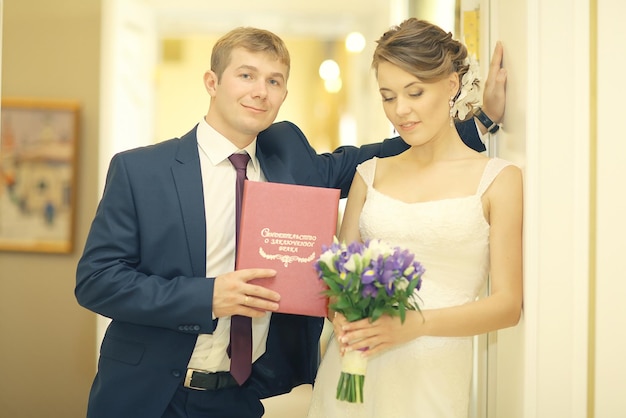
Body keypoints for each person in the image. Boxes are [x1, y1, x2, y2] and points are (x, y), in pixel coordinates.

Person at [75, 25, 506, 418]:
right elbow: (96, 280)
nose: (260, 91)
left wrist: (478, 122)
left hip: (239, 400)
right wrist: (207, 297)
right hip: (145, 396)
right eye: (246, 75)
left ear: (283, 95)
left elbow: (384, 154)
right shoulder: (140, 170)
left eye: (274, 81)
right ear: (212, 82)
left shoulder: (290, 159)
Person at [307, 18, 522, 418]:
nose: (400, 110)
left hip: (434, 375)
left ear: (452, 85)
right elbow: (338, 281)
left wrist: (413, 325)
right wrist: (340, 315)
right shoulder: (368, 175)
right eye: (388, 97)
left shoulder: (499, 180)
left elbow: (508, 305)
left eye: (415, 92)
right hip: (352, 370)